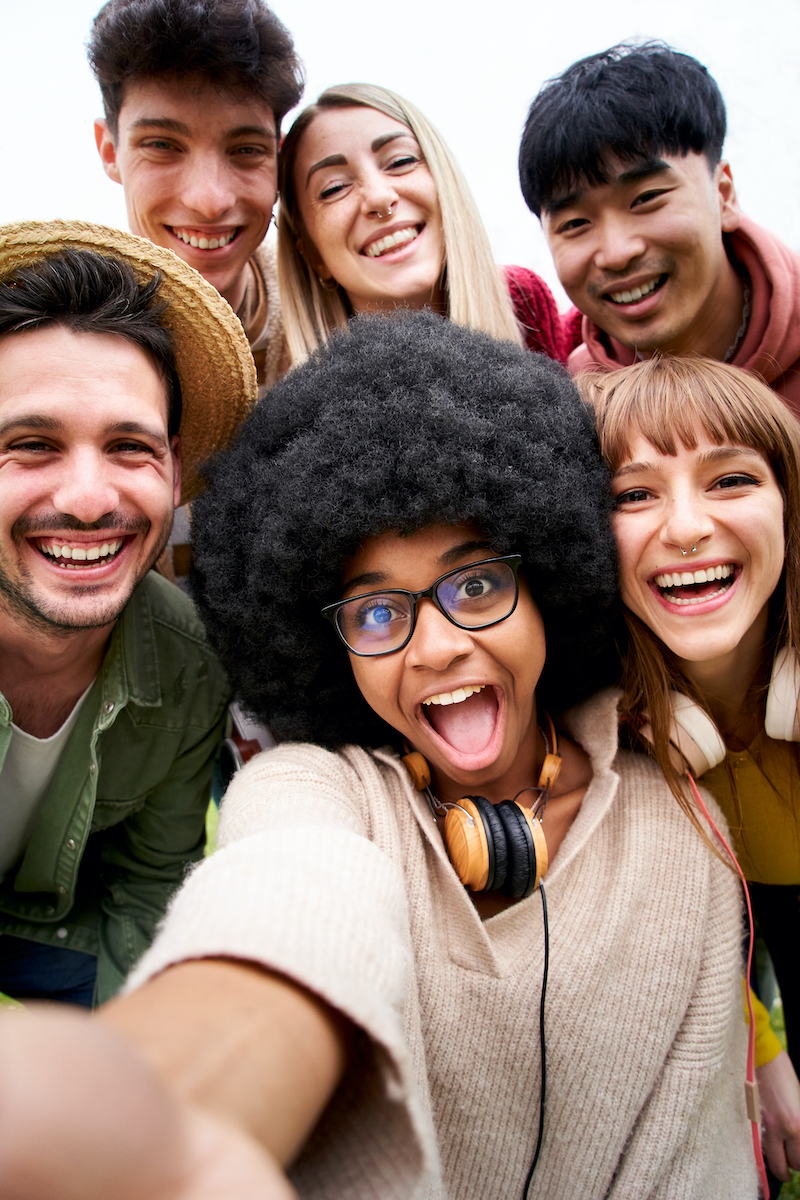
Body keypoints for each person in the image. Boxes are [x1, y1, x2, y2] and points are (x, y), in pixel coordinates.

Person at [0, 315, 755, 1198]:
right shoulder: (314, 790)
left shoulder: (685, 838)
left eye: (477, 584)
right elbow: (282, 919)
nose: (435, 648)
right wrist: (172, 1116)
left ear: (550, 579)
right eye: (376, 612)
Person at [0, 218, 257, 1007]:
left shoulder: (192, 665)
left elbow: (148, 892)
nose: (87, 501)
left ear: (176, 470)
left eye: (129, 448)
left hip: (48, 937)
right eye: (32, 444)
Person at [585, 354, 800, 1191]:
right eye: (633, 495)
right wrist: (764, 1053)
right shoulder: (602, 735)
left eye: (731, 480)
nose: (684, 529)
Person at [518, 42, 800, 415]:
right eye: (575, 223)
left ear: (724, 195)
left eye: (646, 198)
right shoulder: (576, 407)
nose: (617, 253)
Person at [88, 0, 304, 397]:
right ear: (110, 152)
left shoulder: (339, 313)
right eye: (162, 145)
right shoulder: (44, 335)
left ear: (280, 159)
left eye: (245, 149)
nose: (210, 201)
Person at [277, 84, 570, 366]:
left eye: (400, 161)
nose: (379, 197)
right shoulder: (291, 404)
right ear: (312, 255)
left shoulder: (523, 301)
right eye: (334, 188)